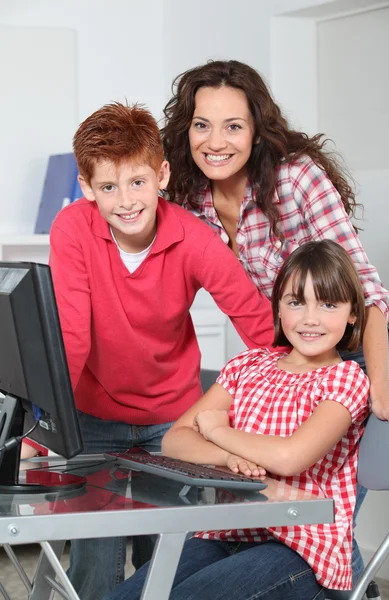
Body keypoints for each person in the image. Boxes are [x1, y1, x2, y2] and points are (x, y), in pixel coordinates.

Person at [161, 59, 389, 584]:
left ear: (257, 130)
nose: (215, 140)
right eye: (202, 124)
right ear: (186, 129)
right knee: (271, 501)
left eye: (233, 126)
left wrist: (378, 386)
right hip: (290, 349)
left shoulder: (295, 179)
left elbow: (371, 295)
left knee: (321, 510)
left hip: (362, 345)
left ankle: (337, 586)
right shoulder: (189, 195)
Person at [47, 101, 277, 600]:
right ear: (87, 189)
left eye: (137, 182)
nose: (126, 200)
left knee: (166, 558)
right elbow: (72, 335)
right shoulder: (72, 230)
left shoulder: (194, 240)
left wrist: (305, 378)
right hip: (93, 417)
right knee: (94, 562)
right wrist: (46, 418)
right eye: (108, 187)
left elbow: (253, 315)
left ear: (163, 175)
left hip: (171, 423)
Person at [104, 239, 370, 600]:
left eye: (328, 304)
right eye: (296, 302)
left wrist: (217, 431)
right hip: (226, 531)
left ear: (353, 313)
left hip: (301, 546)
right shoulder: (248, 365)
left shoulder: (346, 379)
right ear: (278, 308)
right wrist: (226, 458)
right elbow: (175, 439)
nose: (310, 319)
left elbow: (290, 457)